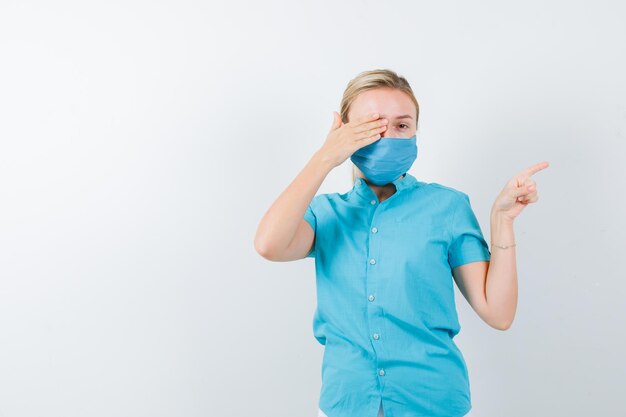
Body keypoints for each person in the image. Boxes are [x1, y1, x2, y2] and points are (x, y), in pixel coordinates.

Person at [254, 69, 548, 417]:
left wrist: (502, 221)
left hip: (434, 402)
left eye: (402, 126)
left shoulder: (447, 207)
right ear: (345, 133)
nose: (388, 136)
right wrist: (325, 157)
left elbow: (498, 313)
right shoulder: (325, 214)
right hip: (346, 404)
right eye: (371, 125)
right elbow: (269, 245)